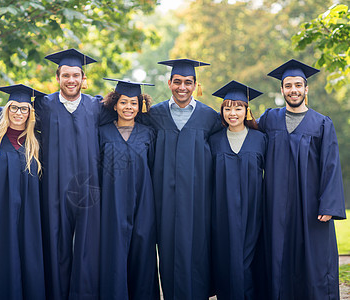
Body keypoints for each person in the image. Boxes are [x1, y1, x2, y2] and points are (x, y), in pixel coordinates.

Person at [259, 59, 346, 299]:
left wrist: (328, 205)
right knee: (278, 257)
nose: (293, 90)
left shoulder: (321, 123)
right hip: (276, 206)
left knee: (315, 262)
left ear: (306, 89)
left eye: (298, 85)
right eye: (288, 85)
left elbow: (330, 164)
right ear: (282, 89)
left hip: (311, 207)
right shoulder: (269, 119)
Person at [141, 59, 222, 299]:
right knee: (167, 254)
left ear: (196, 85)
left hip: (198, 202)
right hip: (163, 200)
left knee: (197, 253)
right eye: (177, 82)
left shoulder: (209, 117)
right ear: (169, 83)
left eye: (188, 82)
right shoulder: (154, 115)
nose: (182, 87)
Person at [34, 49, 102, 299]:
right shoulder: (43, 105)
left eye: (75, 75)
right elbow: (11, 112)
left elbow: (127, 115)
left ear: (83, 78)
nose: (71, 80)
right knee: (56, 243)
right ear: (57, 77)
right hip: (53, 186)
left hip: (88, 187)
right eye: (66, 75)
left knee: (88, 245)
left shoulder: (96, 106)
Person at [0, 84, 46, 299]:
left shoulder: (37, 141)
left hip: (30, 212)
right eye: (14, 108)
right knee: (3, 253)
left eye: (24, 109)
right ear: (7, 109)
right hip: (0, 211)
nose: (19, 113)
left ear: (30, 113)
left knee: (29, 253)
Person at [99, 78, 159, 300]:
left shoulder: (148, 134)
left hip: (142, 204)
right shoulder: (102, 133)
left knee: (142, 256)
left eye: (133, 103)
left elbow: (153, 167)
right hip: (110, 206)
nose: (128, 108)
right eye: (124, 102)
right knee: (113, 256)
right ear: (114, 104)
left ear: (140, 105)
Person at [209, 80, 266, 300]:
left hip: (254, 212)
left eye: (238, 107)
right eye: (227, 107)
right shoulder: (213, 141)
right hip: (222, 213)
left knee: (249, 261)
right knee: (227, 260)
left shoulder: (261, 140)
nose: (233, 112)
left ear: (247, 110)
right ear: (222, 111)